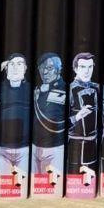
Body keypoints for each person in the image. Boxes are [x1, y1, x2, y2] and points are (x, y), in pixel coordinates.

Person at [31, 52, 66, 181]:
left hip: (54, 147)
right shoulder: (37, 89)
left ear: (58, 69)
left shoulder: (63, 89)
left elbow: (53, 117)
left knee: (52, 184)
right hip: (36, 146)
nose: (45, 72)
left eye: (50, 68)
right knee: (38, 184)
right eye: (42, 68)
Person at [0, 54, 30, 183]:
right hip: (2, 148)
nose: (15, 67)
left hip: (24, 149)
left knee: (19, 185)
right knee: (5, 184)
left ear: (25, 68)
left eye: (19, 64)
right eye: (12, 64)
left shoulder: (30, 90)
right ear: (6, 69)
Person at [66, 52, 99, 177]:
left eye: (90, 67)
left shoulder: (97, 88)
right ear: (75, 69)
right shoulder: (70, 89)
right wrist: (77, 116)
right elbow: (60, 122)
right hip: (76, 144)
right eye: (82, 67)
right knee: (76, 177)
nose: (87, 71)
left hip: (93, 143)